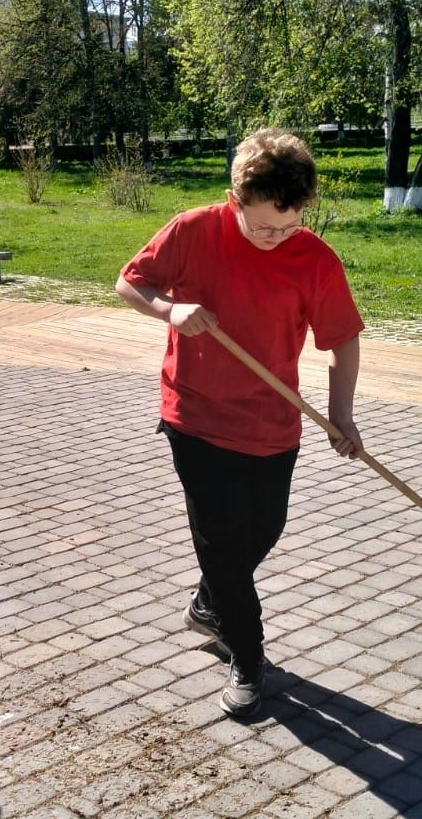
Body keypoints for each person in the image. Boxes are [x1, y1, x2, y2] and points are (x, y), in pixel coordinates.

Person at [115, 129, 365, 720]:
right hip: (196, 414)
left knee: (263, 531)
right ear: (234, 201)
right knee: (225, 546)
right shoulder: (193, 230)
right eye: (262, 227)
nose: (275, 239)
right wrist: (170, 308)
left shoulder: (315, 259)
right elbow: (131, 281)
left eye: (289, 225)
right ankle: (248, 660)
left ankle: (209, 601)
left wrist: (342, 414)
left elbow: (344, 340)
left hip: (274, 422)